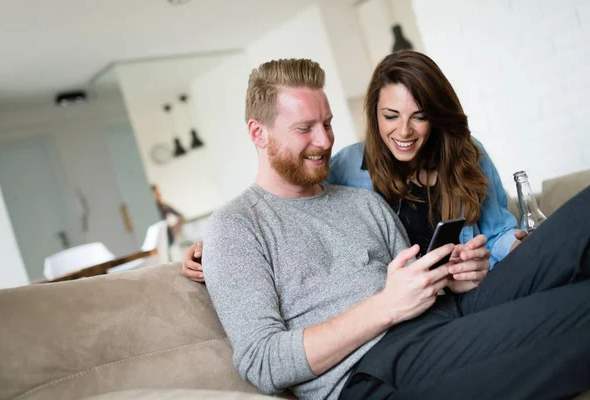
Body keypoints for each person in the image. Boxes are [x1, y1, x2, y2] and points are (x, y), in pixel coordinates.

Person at [202, 57, 590, 400]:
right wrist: (385, 307)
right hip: (377, 368)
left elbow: (412, 284)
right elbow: (263, 362)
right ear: (258, 133)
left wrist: (446, 275)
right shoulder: (236, 227)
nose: (324, 140)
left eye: (328, 123)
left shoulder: (360, 200)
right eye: (305, 128)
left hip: (445, 314)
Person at [182, 50, 521, 282]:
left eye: (419, 117)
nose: (403, 131)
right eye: (390, 116)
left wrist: (503, 253)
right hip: (424, 305)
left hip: (478, 286)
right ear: (374, 113)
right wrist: (216, 247)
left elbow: (499, 233)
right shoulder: (347, 168)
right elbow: (290, 199)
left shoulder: (467, 154)